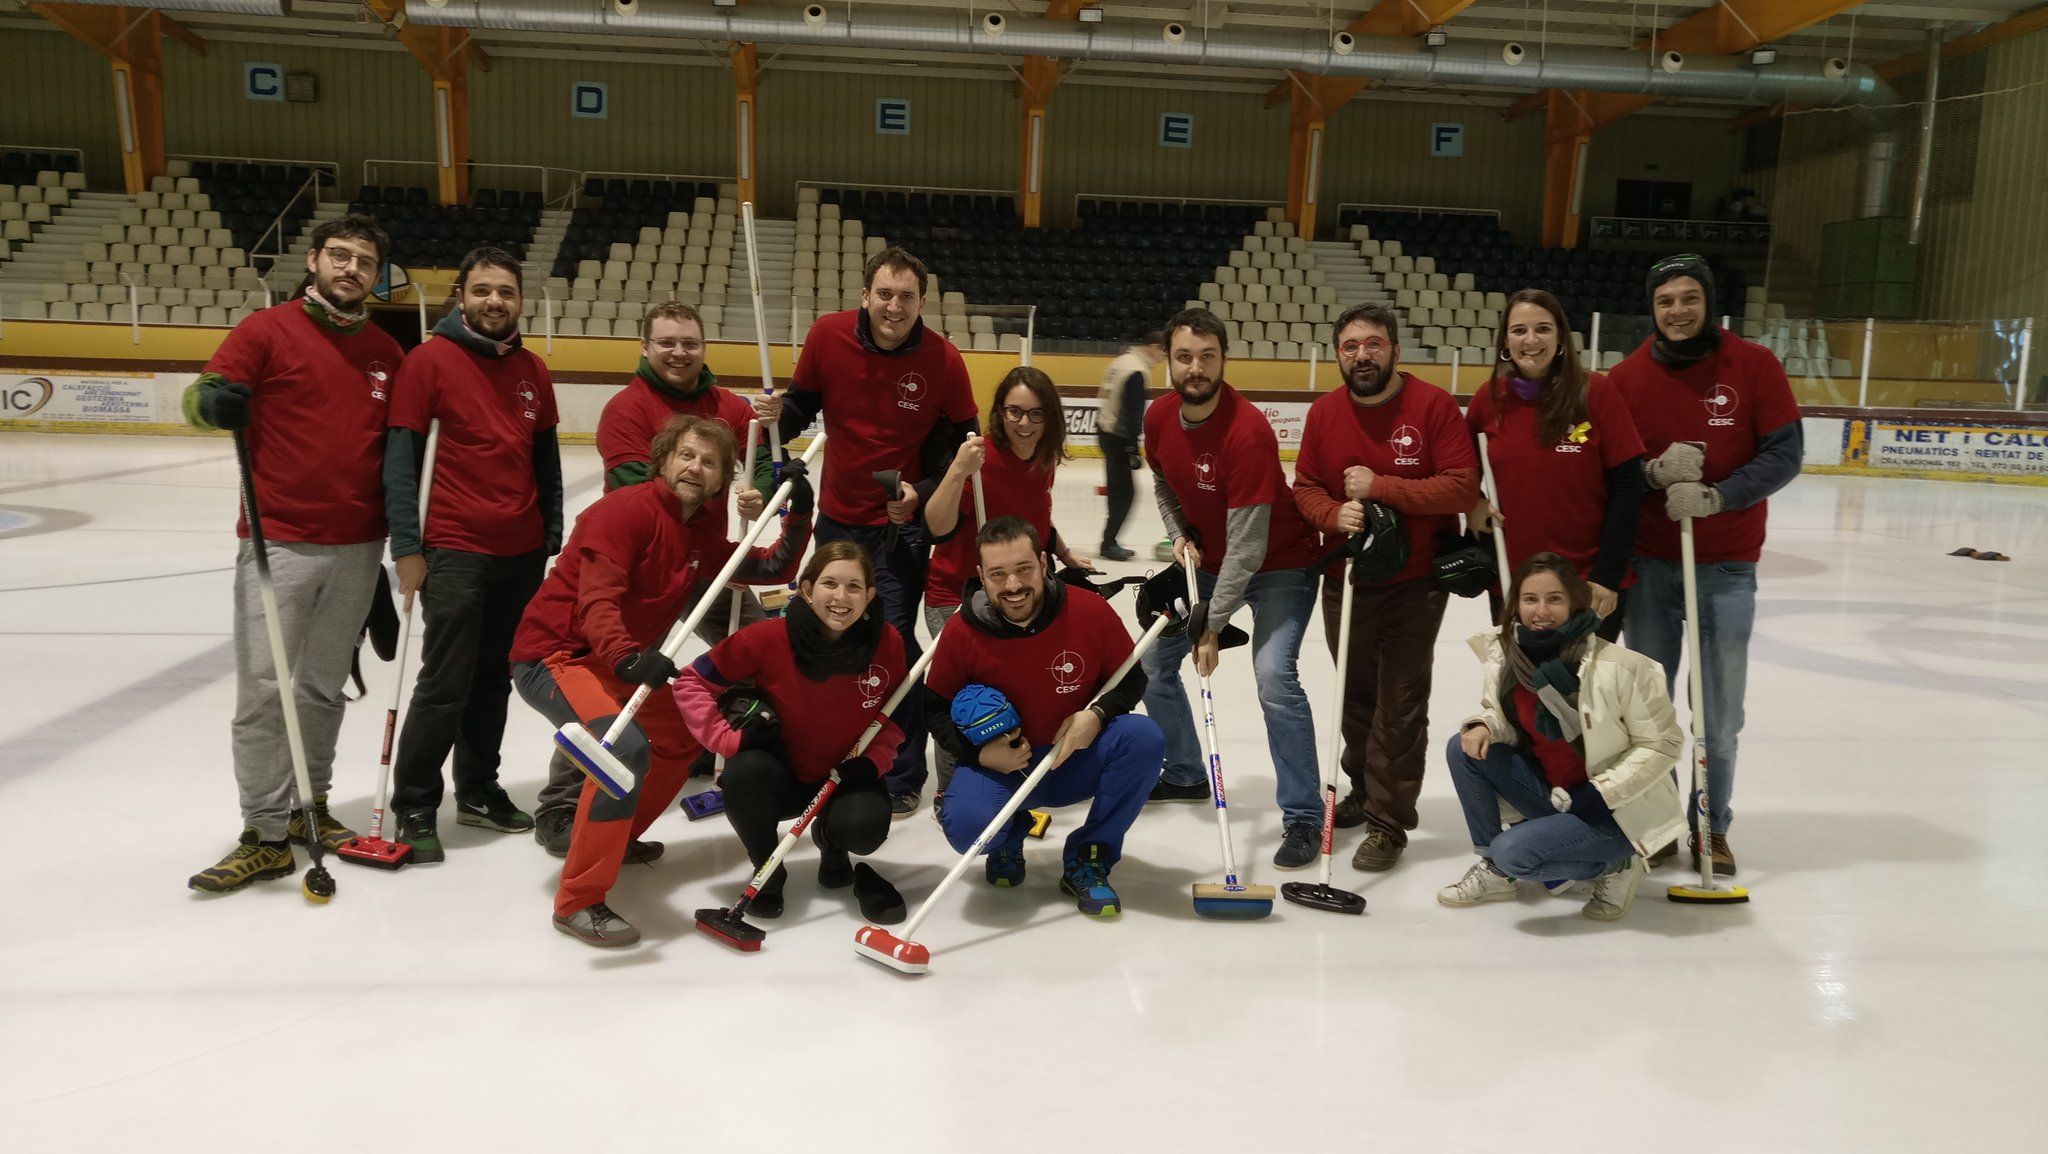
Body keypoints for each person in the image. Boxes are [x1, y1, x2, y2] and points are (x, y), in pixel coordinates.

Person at [512, 414, 812, 946]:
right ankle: (577, 900)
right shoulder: (622, 512)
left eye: (710, 462)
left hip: (611, 664)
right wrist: (629, 657)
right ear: (665, 459)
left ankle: (614, 837)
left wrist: (798, 514)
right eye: (687, 456)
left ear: (723, 480)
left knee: (681, 732)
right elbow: (597, 599)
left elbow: (768, 569)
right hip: (557, 656)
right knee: (621, 750)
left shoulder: (696, 531)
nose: (696, 468)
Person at [184, 213, 405, 894]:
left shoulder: (385, 352)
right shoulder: (265, 330)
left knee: (319, 688)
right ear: (312, 261)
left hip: (360, 546)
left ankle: (310, 805)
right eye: (339, 256)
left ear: (377, 276)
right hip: (278, 541)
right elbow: (201, 396)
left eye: (365, 262)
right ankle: (263, 832)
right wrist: (211, 404)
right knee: (261, 690)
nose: (351, 270)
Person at [528, 300, 775, 854]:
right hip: (648, 572)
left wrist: (758, 481)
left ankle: (720, 747)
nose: (678, 352)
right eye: (666, 342)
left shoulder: (728, 406)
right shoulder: (626, 409)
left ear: (704, 348)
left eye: (689, 342)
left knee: (757, 648)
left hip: (708, 560)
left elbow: (757, 454)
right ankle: (562, 807)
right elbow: (646, 483)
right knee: (613, 689)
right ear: (645, 346)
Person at [761, 246, 979, 818]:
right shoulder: (827, 337)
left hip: (899, 531)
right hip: (836, 522)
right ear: (865, 295)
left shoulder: (943, 359)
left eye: (906, 297)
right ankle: (818, 752)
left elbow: (965, 445)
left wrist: (925, 494)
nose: (894, 306)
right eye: (885, 293)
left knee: (894, 648)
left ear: (921, 303)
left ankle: (902, 772)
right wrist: (769, 425)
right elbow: (800, 408)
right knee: (825, 636)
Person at [1609, 254, 1802, 876]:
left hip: (1725, 567)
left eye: (1689, 297)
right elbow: (1611, 469)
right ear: (1653, 309)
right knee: (1649, 711)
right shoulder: (1627, 379)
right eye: (1666, 301)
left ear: (1708, 301)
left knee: (1719, 713)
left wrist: (1722, 495)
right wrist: (1649, 474)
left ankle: (1711, 825)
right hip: (1651, 566)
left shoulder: (1754, 365)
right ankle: (1658, 822)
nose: (1678, 311)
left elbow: (1785, 453)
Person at [384, 245, 563, 863]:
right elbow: (402, 460)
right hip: (456, 548)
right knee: (445, 681)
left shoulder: (533, 369)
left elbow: (546, 460)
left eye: (506, 292)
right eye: (483, 290)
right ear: (461, 295)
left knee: (493, 680)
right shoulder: (428, 361)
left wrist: (551, 531)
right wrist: (407, 547)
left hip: (520, 550)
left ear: (520, 301)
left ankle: (479, 791)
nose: (495, 302)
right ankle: (413, 803)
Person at [1292, 302, 1480, 872]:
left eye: (1373, 343)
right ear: (1338, 355)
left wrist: (1382, 487)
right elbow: (1303, 487)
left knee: (1399, 702)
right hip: (1345, 578)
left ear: (1395, 350)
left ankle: (1388, 821)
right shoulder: (1325, 414)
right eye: (1350, 346)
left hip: (1415, 583)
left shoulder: (1432, 405)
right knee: (1355, 696)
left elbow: (1460, 487)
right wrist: (1332, 515)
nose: (1362, 354)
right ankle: (1362, 791)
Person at [1141, 306, 1325, 870]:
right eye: (1184, 357)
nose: (1195, 368)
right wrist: (1180, 536)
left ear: (1224, 359)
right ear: (1169, 362)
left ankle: (1303, 817)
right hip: (1213, 562)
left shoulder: (1247, 431)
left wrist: (1212, 628)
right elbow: (1164, 483)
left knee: (1274, 676)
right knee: (1151, 664)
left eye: (1207, 357)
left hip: (1281, 564)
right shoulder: (1159, 417)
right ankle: (1188, 773)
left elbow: (1249, 547)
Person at [925, 517, 1162, 916]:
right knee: (968, 830)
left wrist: (1099, 714)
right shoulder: (962, 630)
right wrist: (980, 755)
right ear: (981, 576)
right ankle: (1009, 835)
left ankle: (1089, 859)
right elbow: (933, 710)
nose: (1014, 585)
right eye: (998, 574)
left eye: (1023, 569)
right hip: (1003, 768)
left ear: (1043, 563)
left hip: (1072, 758)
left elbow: (1131, 678)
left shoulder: (1090, 611)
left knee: (1143, 738)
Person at [1437, 554, 1685, 921]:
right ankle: (1496, 872)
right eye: (1530, 599)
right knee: (1463, 748)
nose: (1541, 610)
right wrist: (1486, 725)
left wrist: (1603, 793)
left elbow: (1663, 743)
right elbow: (1508, 719)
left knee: (1513, 853)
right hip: (1560, 795)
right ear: (1515, 606)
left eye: (1554, 599)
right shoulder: (1509, 658)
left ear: (1574, 603)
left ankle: (1616, 865)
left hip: (1614, 810)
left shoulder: (1622, 667)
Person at [672, 541, 908, 925]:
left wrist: (873, 762)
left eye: (853, 587)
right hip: (780, 775)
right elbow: (691, 682)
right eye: (830, 583)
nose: (841, 597)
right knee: (742, 775)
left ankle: (832, 845)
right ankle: (768, 868)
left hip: (841, 776)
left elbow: (895, 714)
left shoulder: (888, 643)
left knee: (865, 830)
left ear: (869, 595)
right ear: (808, 588)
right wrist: (727, 740)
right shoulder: (768, 638)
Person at [920, 366, 1093, 817]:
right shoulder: (981, 459)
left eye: (1035, 414)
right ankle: (949, 788)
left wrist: (1064, 552)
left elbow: (1034, 519)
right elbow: (936, 525)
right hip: (955, 593)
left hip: (1014, 590)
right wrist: (959, 468)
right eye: (1014, 411)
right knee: (962, 692)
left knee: (1014, 683)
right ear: (999, 412)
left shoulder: (1043, 460)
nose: (1024, 423)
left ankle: (1006, 777)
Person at [1466, 288, 1645, 640]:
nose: (1530, 340)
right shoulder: (1488, 401)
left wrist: (1607, 577)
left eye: (1543, 329)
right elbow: (1457, 472)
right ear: (1505, 340)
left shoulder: (1596, 393)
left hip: (1589, 584)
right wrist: (1472, 500)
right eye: (1519, 330)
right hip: (1516, 583)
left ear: (1561, 335)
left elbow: (1628, 488)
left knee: (1587, 693)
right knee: (1520, 691)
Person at [1096, 332, 1162, 561]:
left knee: (1118, 491)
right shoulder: (1137, 371)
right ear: (1153, 346)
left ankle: (1109, 540)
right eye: (1162, 350)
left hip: (1105, 430)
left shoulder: (1122, 361)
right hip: (1118, 436)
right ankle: (1108, 543)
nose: (1162, 357)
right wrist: (1132, 448)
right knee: (1125, 493)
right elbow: (1132, 413)